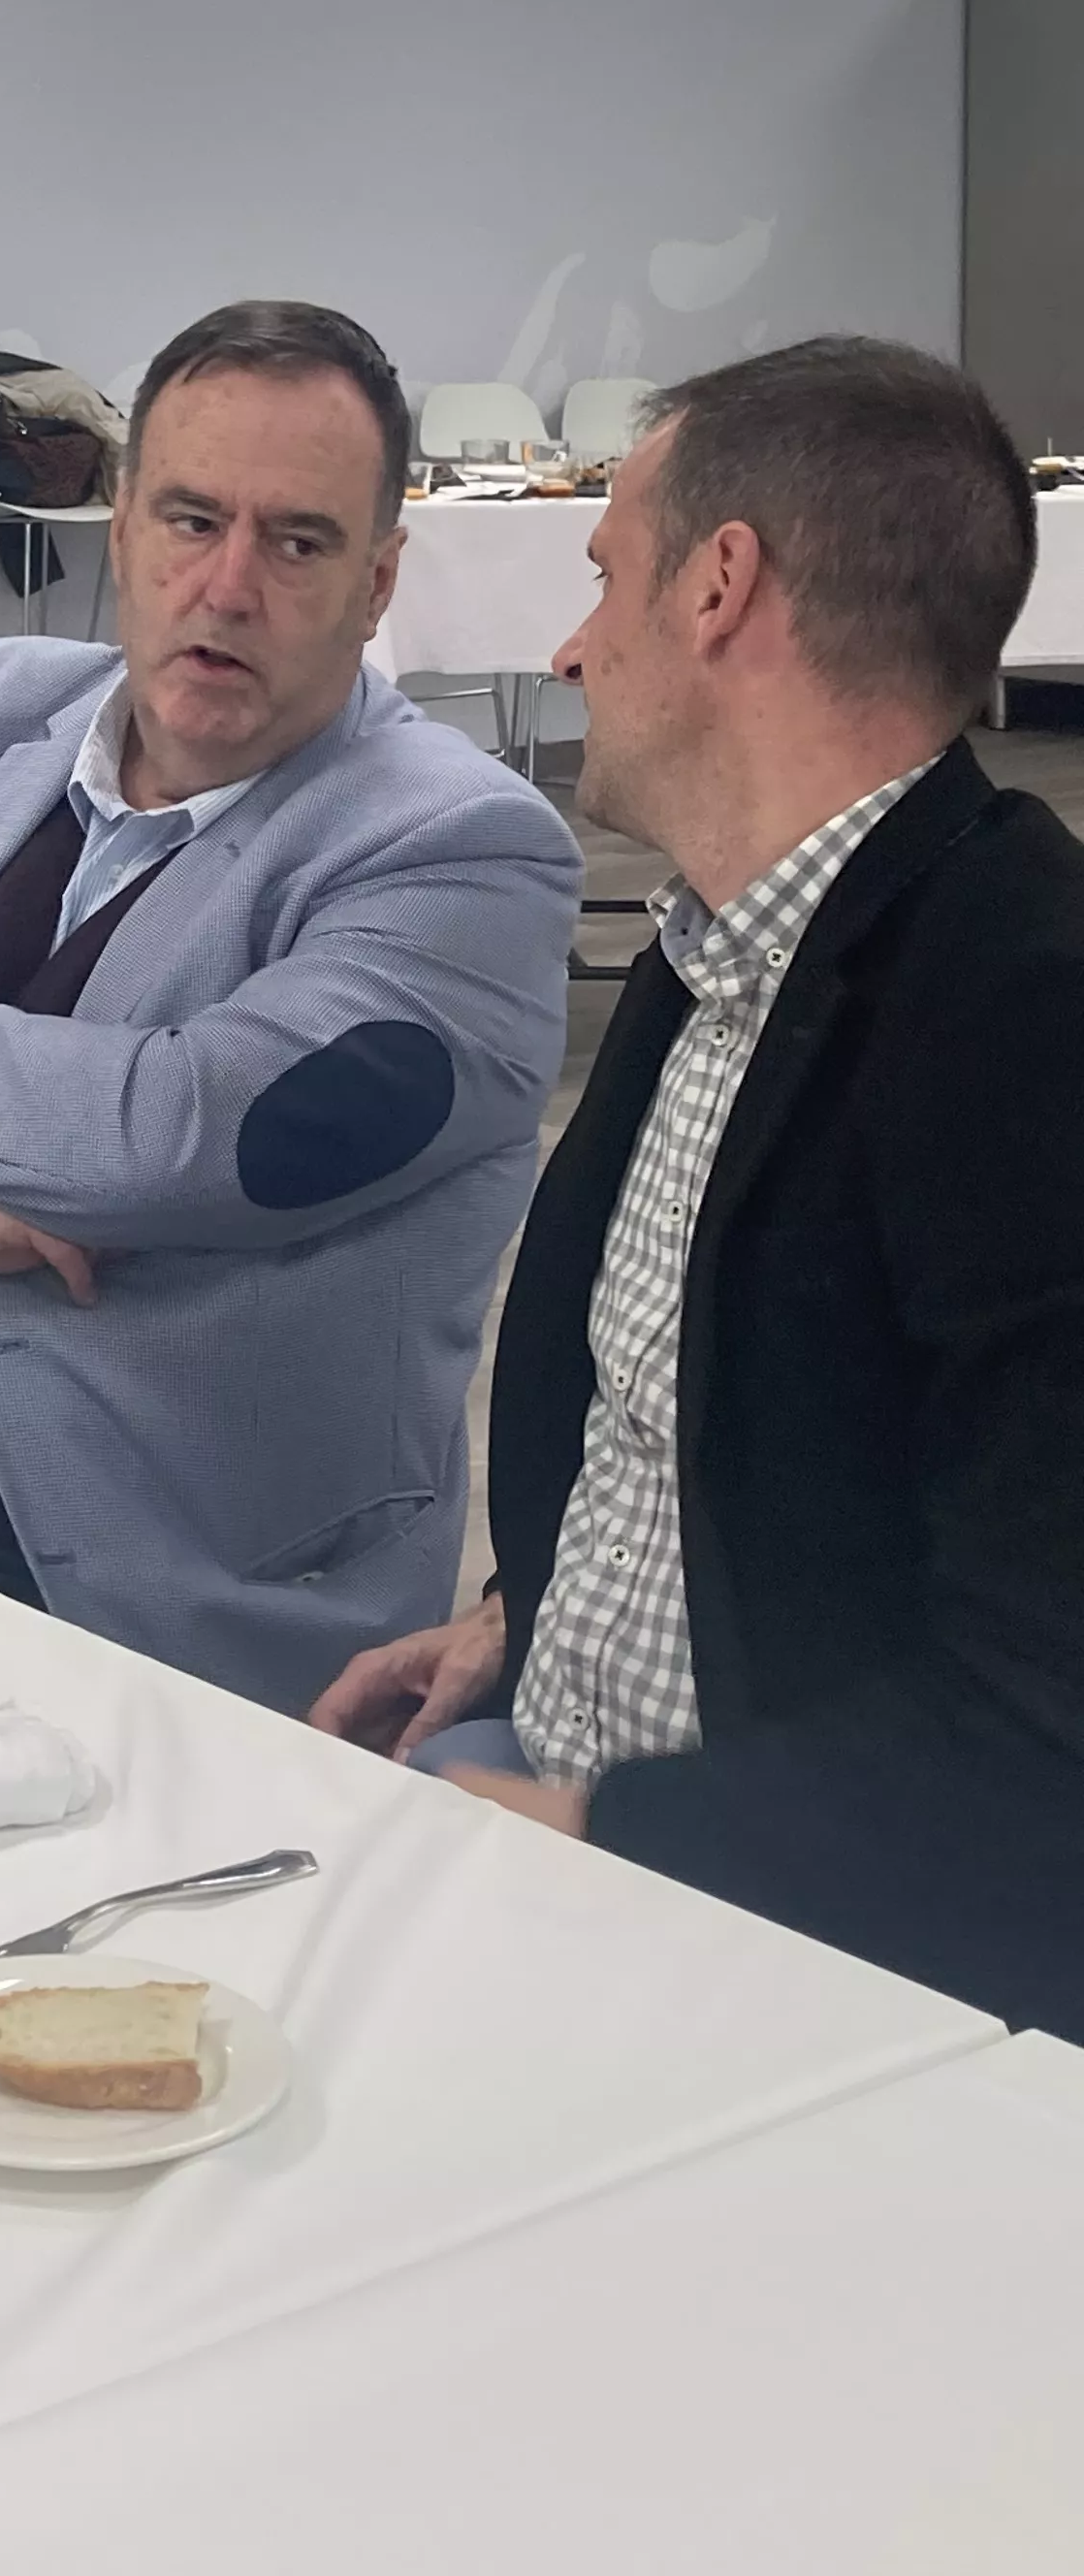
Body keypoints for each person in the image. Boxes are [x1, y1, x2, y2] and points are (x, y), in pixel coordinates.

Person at [0, 299, 580, 1712]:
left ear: (379, 584)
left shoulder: (463, 850)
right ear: (121, 532)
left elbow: (185, 1134)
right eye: (192, 520)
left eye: (299, 541)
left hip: (82, 1555)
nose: (230, 584)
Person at [307, 338, 1084, 2037]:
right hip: (603, 1794)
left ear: (719, 585)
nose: (572, 645)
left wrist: (593, 1827)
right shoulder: (726, 930)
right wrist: (514, 1625)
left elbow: (1044, 1728)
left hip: (810, 1936)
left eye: (600, 579)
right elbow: (704, 1428)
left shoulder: (1018, 1016)